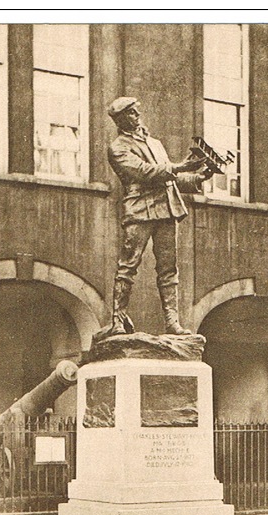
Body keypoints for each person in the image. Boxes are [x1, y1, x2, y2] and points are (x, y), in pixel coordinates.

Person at [107, 97, 214, 336]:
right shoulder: (118, 147)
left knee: (169, 269)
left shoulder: (155, 143)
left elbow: (170, 179)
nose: (137, 117)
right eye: (132, 114)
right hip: (140, 209)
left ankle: (172, 323)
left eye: (137, 112)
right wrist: (179, 167)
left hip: (167, 208)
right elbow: (145, 172)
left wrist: (199, 177)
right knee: (128, 266)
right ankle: (117, 321)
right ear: (121, 119)